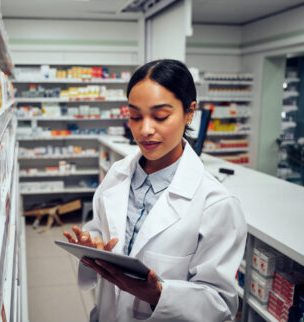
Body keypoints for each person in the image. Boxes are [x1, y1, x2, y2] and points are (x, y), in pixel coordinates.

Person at [63, 59, 247, 322]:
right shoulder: (117, 175)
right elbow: (100, 228)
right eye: (135, 116)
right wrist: (91, 245)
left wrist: (159, 295)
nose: (144, 130)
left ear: (189, 112)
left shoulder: (217, 203)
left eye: (160, 116)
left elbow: (220, 304)